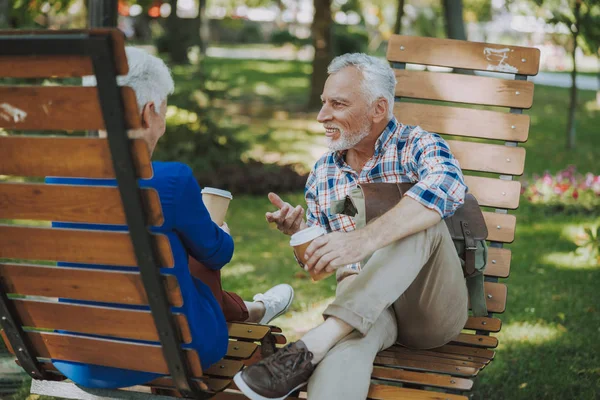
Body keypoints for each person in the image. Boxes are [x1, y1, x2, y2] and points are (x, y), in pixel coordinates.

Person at [46, 47, 294, 389]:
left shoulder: (57, 180)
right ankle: (250, 310)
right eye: (163, 110)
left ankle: (252, 308)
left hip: (77, 356)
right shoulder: (171, 180)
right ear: (150, 113)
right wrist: (219, 230)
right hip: (172, 352)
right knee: (195, 257)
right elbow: (218, 255)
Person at [234, 53, 469, 400]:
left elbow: (447, 186)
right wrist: (302, 234)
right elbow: (321, 263)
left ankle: (316, 339)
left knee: (423, 218)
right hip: (362, 307)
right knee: (343, 352)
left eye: (338, 104)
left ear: (378, 109)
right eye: (323, 103)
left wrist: (363, 240)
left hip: (427, 308)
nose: (321, 116)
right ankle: (318, 344)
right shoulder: (323, 172)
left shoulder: (417, 145)